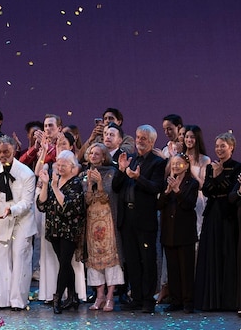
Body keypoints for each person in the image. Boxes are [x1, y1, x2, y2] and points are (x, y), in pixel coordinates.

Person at [113, 125, 167, 314]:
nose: (139, 141)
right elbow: (116, 187)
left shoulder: (157, 163)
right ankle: (136, 298)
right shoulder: (131, 159)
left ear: (152, 141)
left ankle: (147, 300)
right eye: (137, 137)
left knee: (147, 260)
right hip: (127, 218)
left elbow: (156, 187)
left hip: (144, 219)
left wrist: (138, 178)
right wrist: (121, 170)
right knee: (132, 261)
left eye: (143, 138)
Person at [0, 135, 37, 311]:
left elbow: (27, 202)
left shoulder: (26, 173)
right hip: (1, 220)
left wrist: (11, 210)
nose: (2, 155)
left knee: (20, 259)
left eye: (6, 152)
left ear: (14, 150)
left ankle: (18, 301)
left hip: (21, 221)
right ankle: (3, 299)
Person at [195, 132, 240, 312]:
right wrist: (214, 175)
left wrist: (219, 175)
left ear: (231, 147)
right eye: (217, 146)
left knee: (227, 254)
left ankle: (228, 301)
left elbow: (230, 191)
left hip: (228, 216)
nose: (219, 149)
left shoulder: (237, 167)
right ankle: (210, 300)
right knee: (211, 255)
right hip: (212, 214)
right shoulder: (211, 167)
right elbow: (207, 190)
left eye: (223, 146)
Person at [37, 151, 86, 314]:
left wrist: (55, 187)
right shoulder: (54, 180)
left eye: (64, 165)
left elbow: (68, 206)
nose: (60, 167)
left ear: (72, 167)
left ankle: (57, 297)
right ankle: (72, 296)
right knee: (64, 264)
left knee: (64, 263)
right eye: (58, 165)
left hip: (69, 229)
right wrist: (46, 185)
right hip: (54, 229)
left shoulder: (76, 183)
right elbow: (42, 205)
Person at [82, 143, 124, 312]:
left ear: (104, 156)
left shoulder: (111, 172)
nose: (93, 156)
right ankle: (99, 296)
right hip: (92, 222)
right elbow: (86, 199)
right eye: (91, 153)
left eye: (97, 153)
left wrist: (99, 183)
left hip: (108, 220)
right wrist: (89, 183)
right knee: (94, 260)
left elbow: (108, 196)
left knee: (111, 258)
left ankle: (110, 297)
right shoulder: (86, 173)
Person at [157, 154, 199, 313]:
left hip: (185, 233)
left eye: (179, 164)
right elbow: (159, 205)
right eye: (173, 163)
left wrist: (177, 191)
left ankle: (188, 302)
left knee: (186, 269)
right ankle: (176, 300)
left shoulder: (192, 183)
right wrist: (167, 192)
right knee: (173, 269)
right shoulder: (166, 181)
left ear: (186, 166)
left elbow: (189, 204)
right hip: (169, 232)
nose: (175, 166)